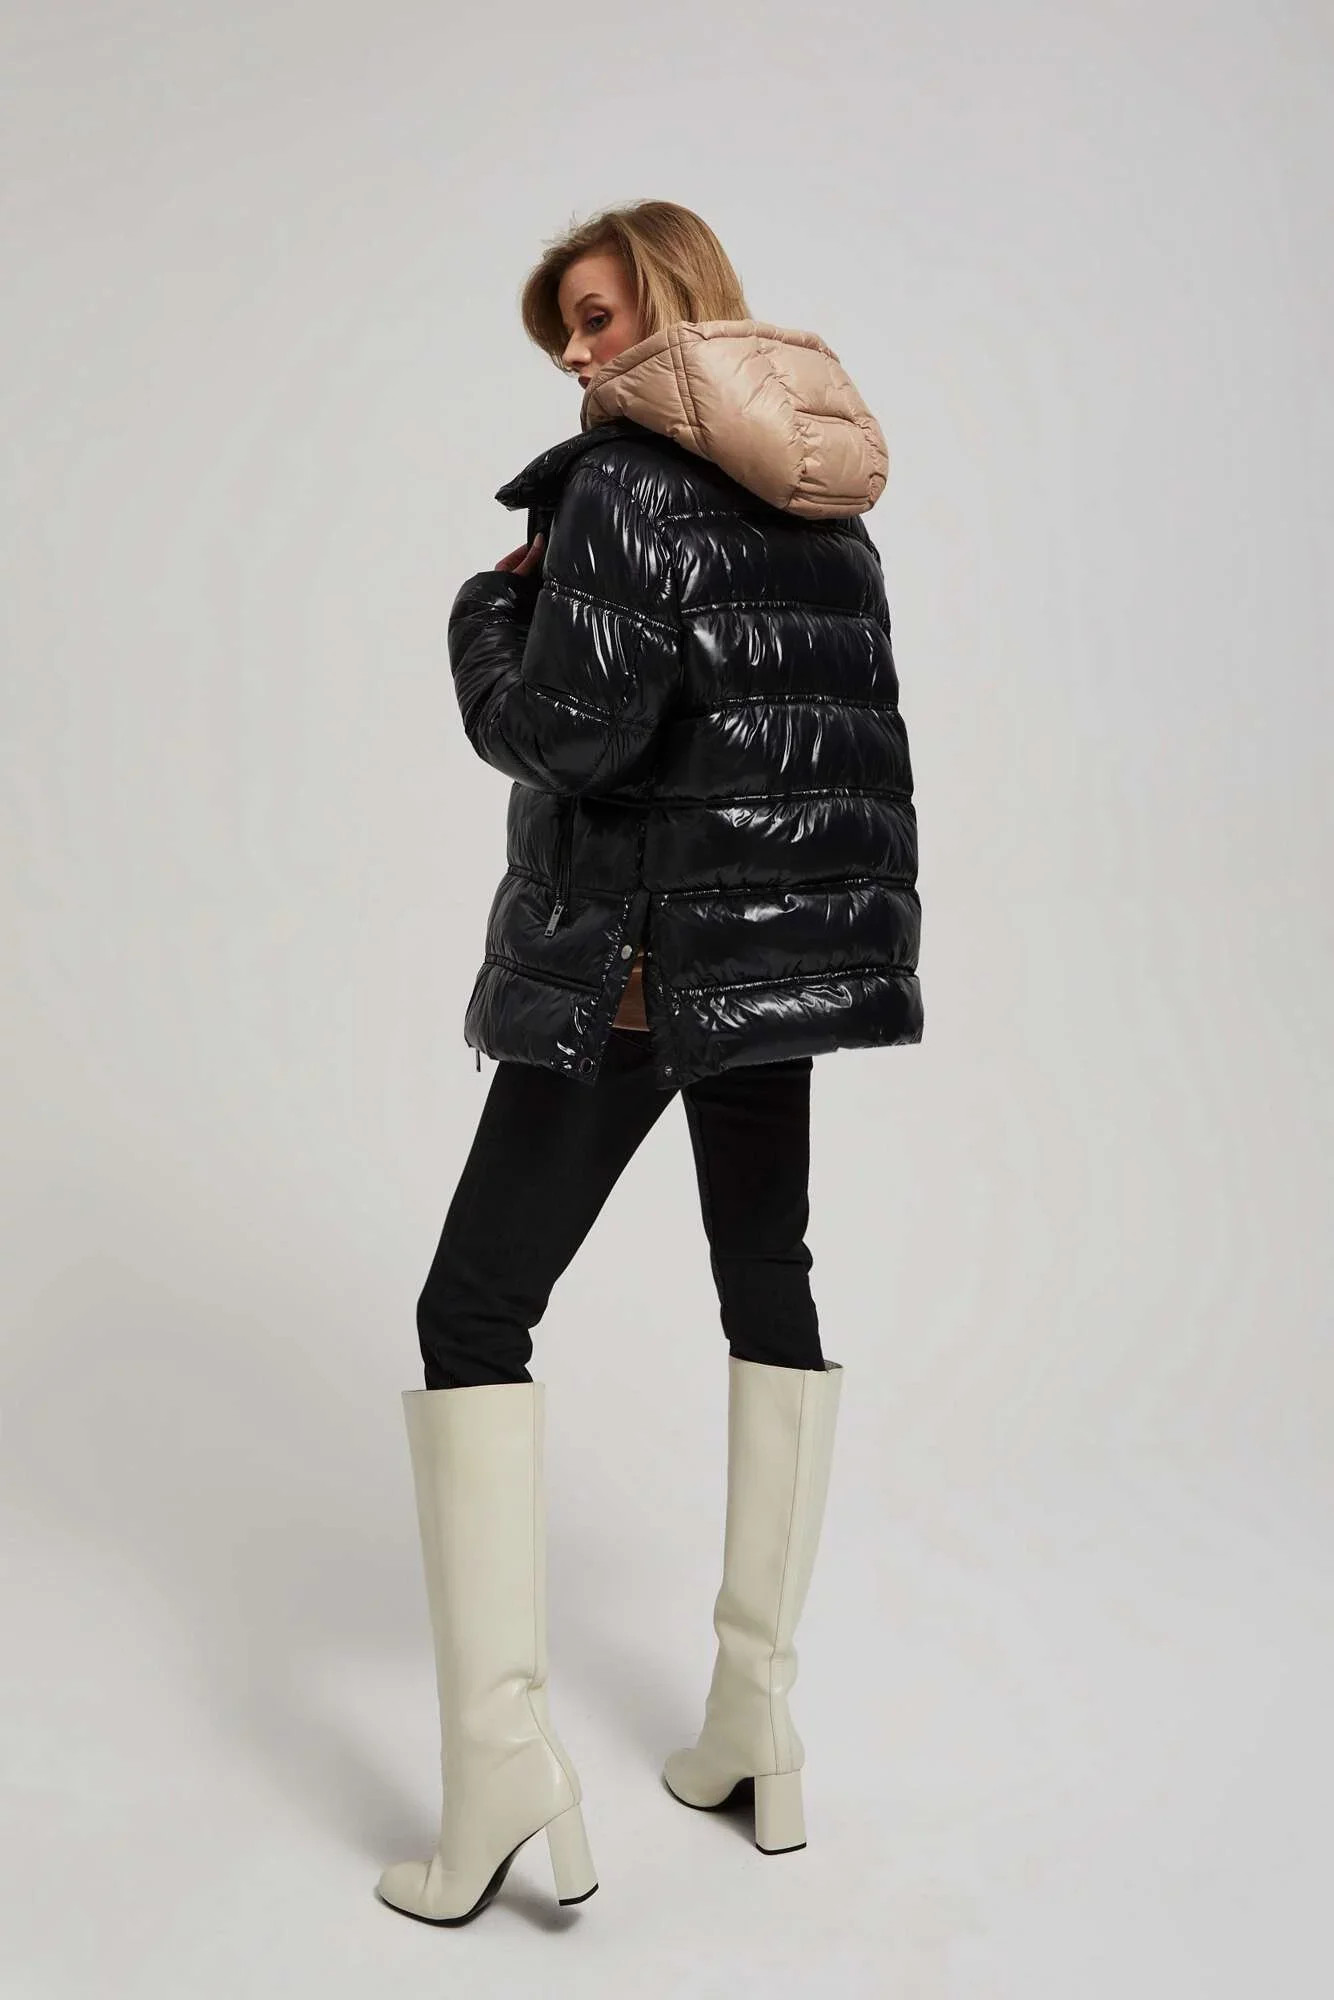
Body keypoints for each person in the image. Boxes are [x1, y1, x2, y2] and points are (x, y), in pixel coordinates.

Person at [376, 199, 922, 1927]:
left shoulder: (614, 488)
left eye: (598, 315)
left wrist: (482, 616)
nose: (575, 350)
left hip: (631, 962)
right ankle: (756, 1716)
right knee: (767, 1275)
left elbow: (568, 736)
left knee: (472, 1315)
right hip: (773, 970)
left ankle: (498, 1770)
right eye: (563, 325)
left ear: (672, 304)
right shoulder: (819, 497)